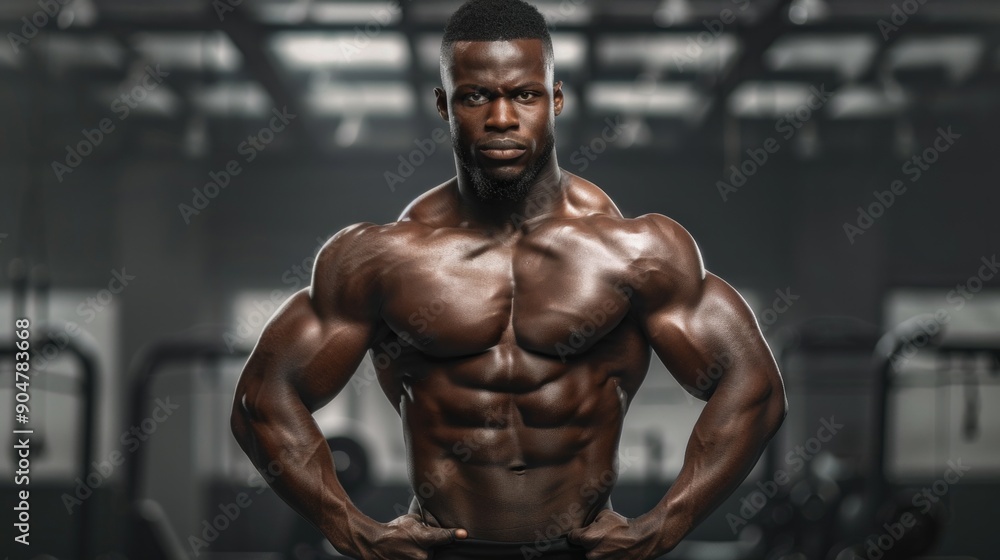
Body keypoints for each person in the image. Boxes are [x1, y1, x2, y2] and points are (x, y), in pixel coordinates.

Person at [230, 1, 787, 558]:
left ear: (556, 99)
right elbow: (263, 398)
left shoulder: (636, 250)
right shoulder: (381, 258)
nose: (501, 119)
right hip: (444, 550)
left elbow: (754, 387)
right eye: (476, 97)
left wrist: (664, 524)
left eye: (524, 94)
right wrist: (349, 528)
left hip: (583, 551)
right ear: (444, 105)